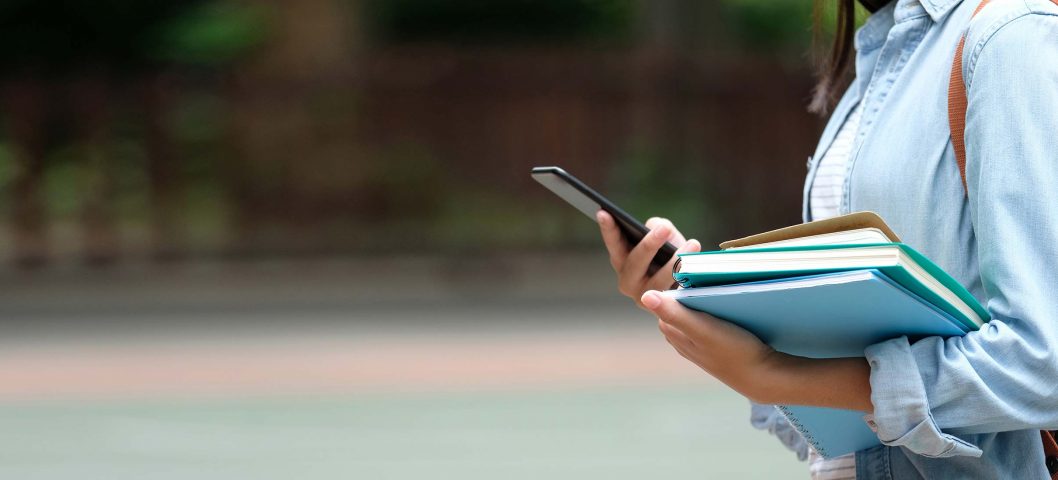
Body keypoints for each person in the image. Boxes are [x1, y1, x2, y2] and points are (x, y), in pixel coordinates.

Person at [596, 0, 1058, 478]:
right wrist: (695, 302)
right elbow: (844, 436)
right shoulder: (879, 64)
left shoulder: (1009, 35)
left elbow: (1045, 361)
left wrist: (779, 374)